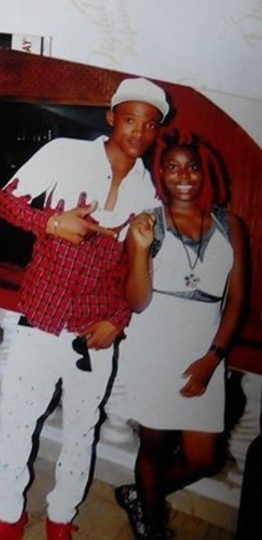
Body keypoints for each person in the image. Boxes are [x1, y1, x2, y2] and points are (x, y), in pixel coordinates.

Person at [0, 77, 169, 540]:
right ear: (111, 117)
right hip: (41, 317)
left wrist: (117, 321)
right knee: (17, 420)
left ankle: (61, 517)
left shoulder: (149, 196)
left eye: (149, 125)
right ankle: (8, 515)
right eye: (130, 120)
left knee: (83, 428)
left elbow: (134, 281)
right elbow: (3, 202)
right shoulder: (65, 154)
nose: (139, 132)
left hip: (96, 331)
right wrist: (51, 222)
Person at [115, 130, 247, 540]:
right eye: (172, 167)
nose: (183, 176)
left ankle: (142, 495)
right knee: (154, 445)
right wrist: (139, 248)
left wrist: (213, 358)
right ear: (161, 173)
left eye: (192, 167)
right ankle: (153, 526)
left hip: (205, 352)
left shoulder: (230, 225)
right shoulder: (148, 222)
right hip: (155, 348)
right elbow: (137, 302)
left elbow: (237, 300)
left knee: (205, 458)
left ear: (206, 172)